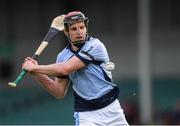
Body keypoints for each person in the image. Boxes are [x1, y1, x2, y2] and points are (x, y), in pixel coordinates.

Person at [22, 11, 129, 125]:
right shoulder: (62, 57)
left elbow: (65, 69)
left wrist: (35, 68)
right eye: (74, 29)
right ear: (66, 32)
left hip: (112, 110)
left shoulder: (95, 46)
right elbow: (59, 92)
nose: (79, 32)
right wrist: (36, 74)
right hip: (86, 115)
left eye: (82, 27)